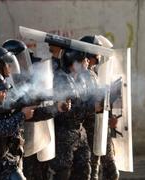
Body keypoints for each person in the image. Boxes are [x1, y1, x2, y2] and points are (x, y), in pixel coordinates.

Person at [49, 49, 93, 180]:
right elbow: (68, 111)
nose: (87, 62)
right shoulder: (61, 79)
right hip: (65, 132)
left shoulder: (79, 79)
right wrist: (92, 107)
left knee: (84, 170)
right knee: (63, 172)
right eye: (84, 59)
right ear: (75, 64)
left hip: (79, 131)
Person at [80, 35, 119, 180]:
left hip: (101, 127)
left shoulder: (94, 73)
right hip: (89, 130)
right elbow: (90, 102)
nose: (98, 58)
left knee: (111, 172)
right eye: (96, 54)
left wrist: (110, 118)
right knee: (93, 173)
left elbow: (101, 101)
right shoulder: (81, 76)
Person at [0, 71, 34, 180]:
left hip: (1, 160)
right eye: (1, 90)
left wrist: (57, 107)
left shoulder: (2, 106)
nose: (5, 92)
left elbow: (32, 114)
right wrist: (22, 115)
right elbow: (1, 129)